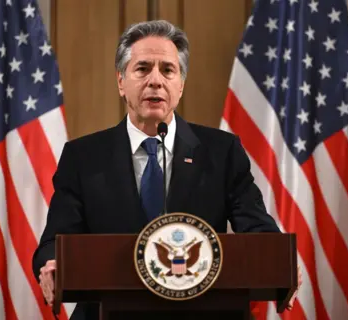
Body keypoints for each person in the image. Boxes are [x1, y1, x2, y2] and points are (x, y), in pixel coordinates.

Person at [33, 20, 299, 320]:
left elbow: (257, 228)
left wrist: (281, 261)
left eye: (168, 70)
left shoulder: (222, 151)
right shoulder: (83, 157)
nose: (155, 81)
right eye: (143, 68)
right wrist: (52, 265)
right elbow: (53, 242)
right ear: (121, 81)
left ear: (181, 83)